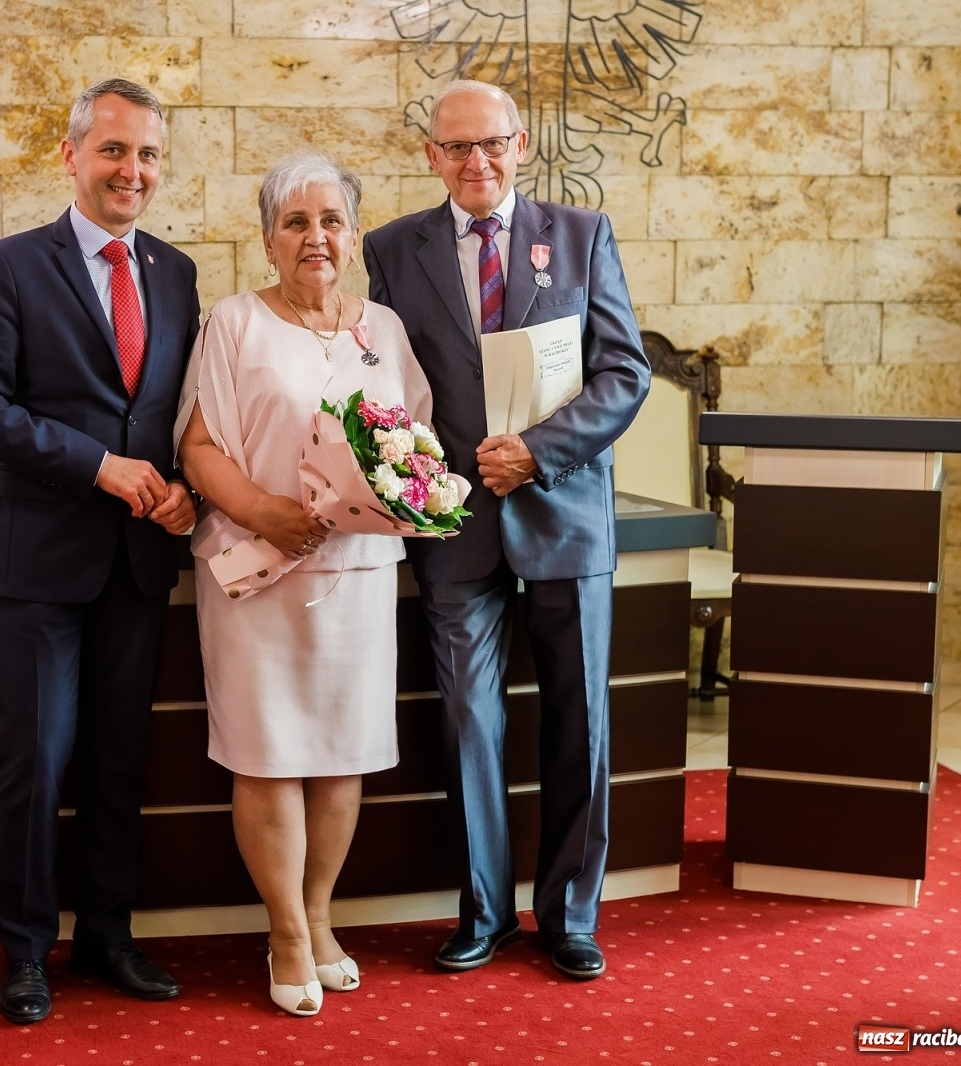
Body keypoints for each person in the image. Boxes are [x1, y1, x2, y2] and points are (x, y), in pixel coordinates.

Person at [363, 80, 650, 981]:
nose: (475, 161)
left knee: (580, 722)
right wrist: (406, 475)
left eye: (491, 143)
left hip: (564, 512)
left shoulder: (582, 236)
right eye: (457, 147)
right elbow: (381, 383)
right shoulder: (390, 250)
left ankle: (570, 915)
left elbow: (624, 373)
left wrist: (536, 453)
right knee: (467, 723)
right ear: (431, 155)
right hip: (453, 524)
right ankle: (483, 911)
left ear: (520, 145)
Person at [0, 78, 201, 1025]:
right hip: (39, 560)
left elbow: (176, 411)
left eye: (148, 155)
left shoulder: (175, 273)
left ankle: (106, 934)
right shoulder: (10, 266)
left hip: (138, 560)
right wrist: (98, 466)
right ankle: (24, 952)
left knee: (118, 762)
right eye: (114, 150)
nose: (132, 170)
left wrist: (185, 485)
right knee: (39, 762)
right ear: (71, 155)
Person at [175, 151, 436, 1017]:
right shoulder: (234, 323)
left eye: (331, 221)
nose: (314, 237)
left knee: (341, 755)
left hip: (356, 574)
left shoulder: (385, 329)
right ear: (267, 241)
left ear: (354, 238)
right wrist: (267, 512)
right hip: (257, 571)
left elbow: (417, 445)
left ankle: (319, 917)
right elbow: (198, 448)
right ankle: (285, 933)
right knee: (268, 756)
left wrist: (402, 495)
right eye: (295, 222)